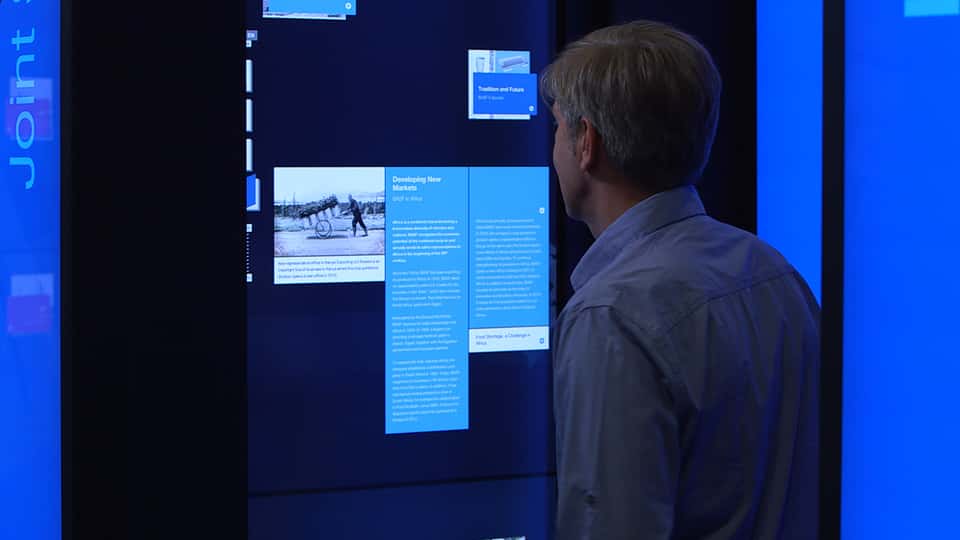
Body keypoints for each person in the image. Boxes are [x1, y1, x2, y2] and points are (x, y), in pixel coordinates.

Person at [543, 21, 820, 539]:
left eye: (557, 128)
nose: (553, 148)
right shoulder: (779, 276)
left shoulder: (612, 317)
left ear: (587, 145)